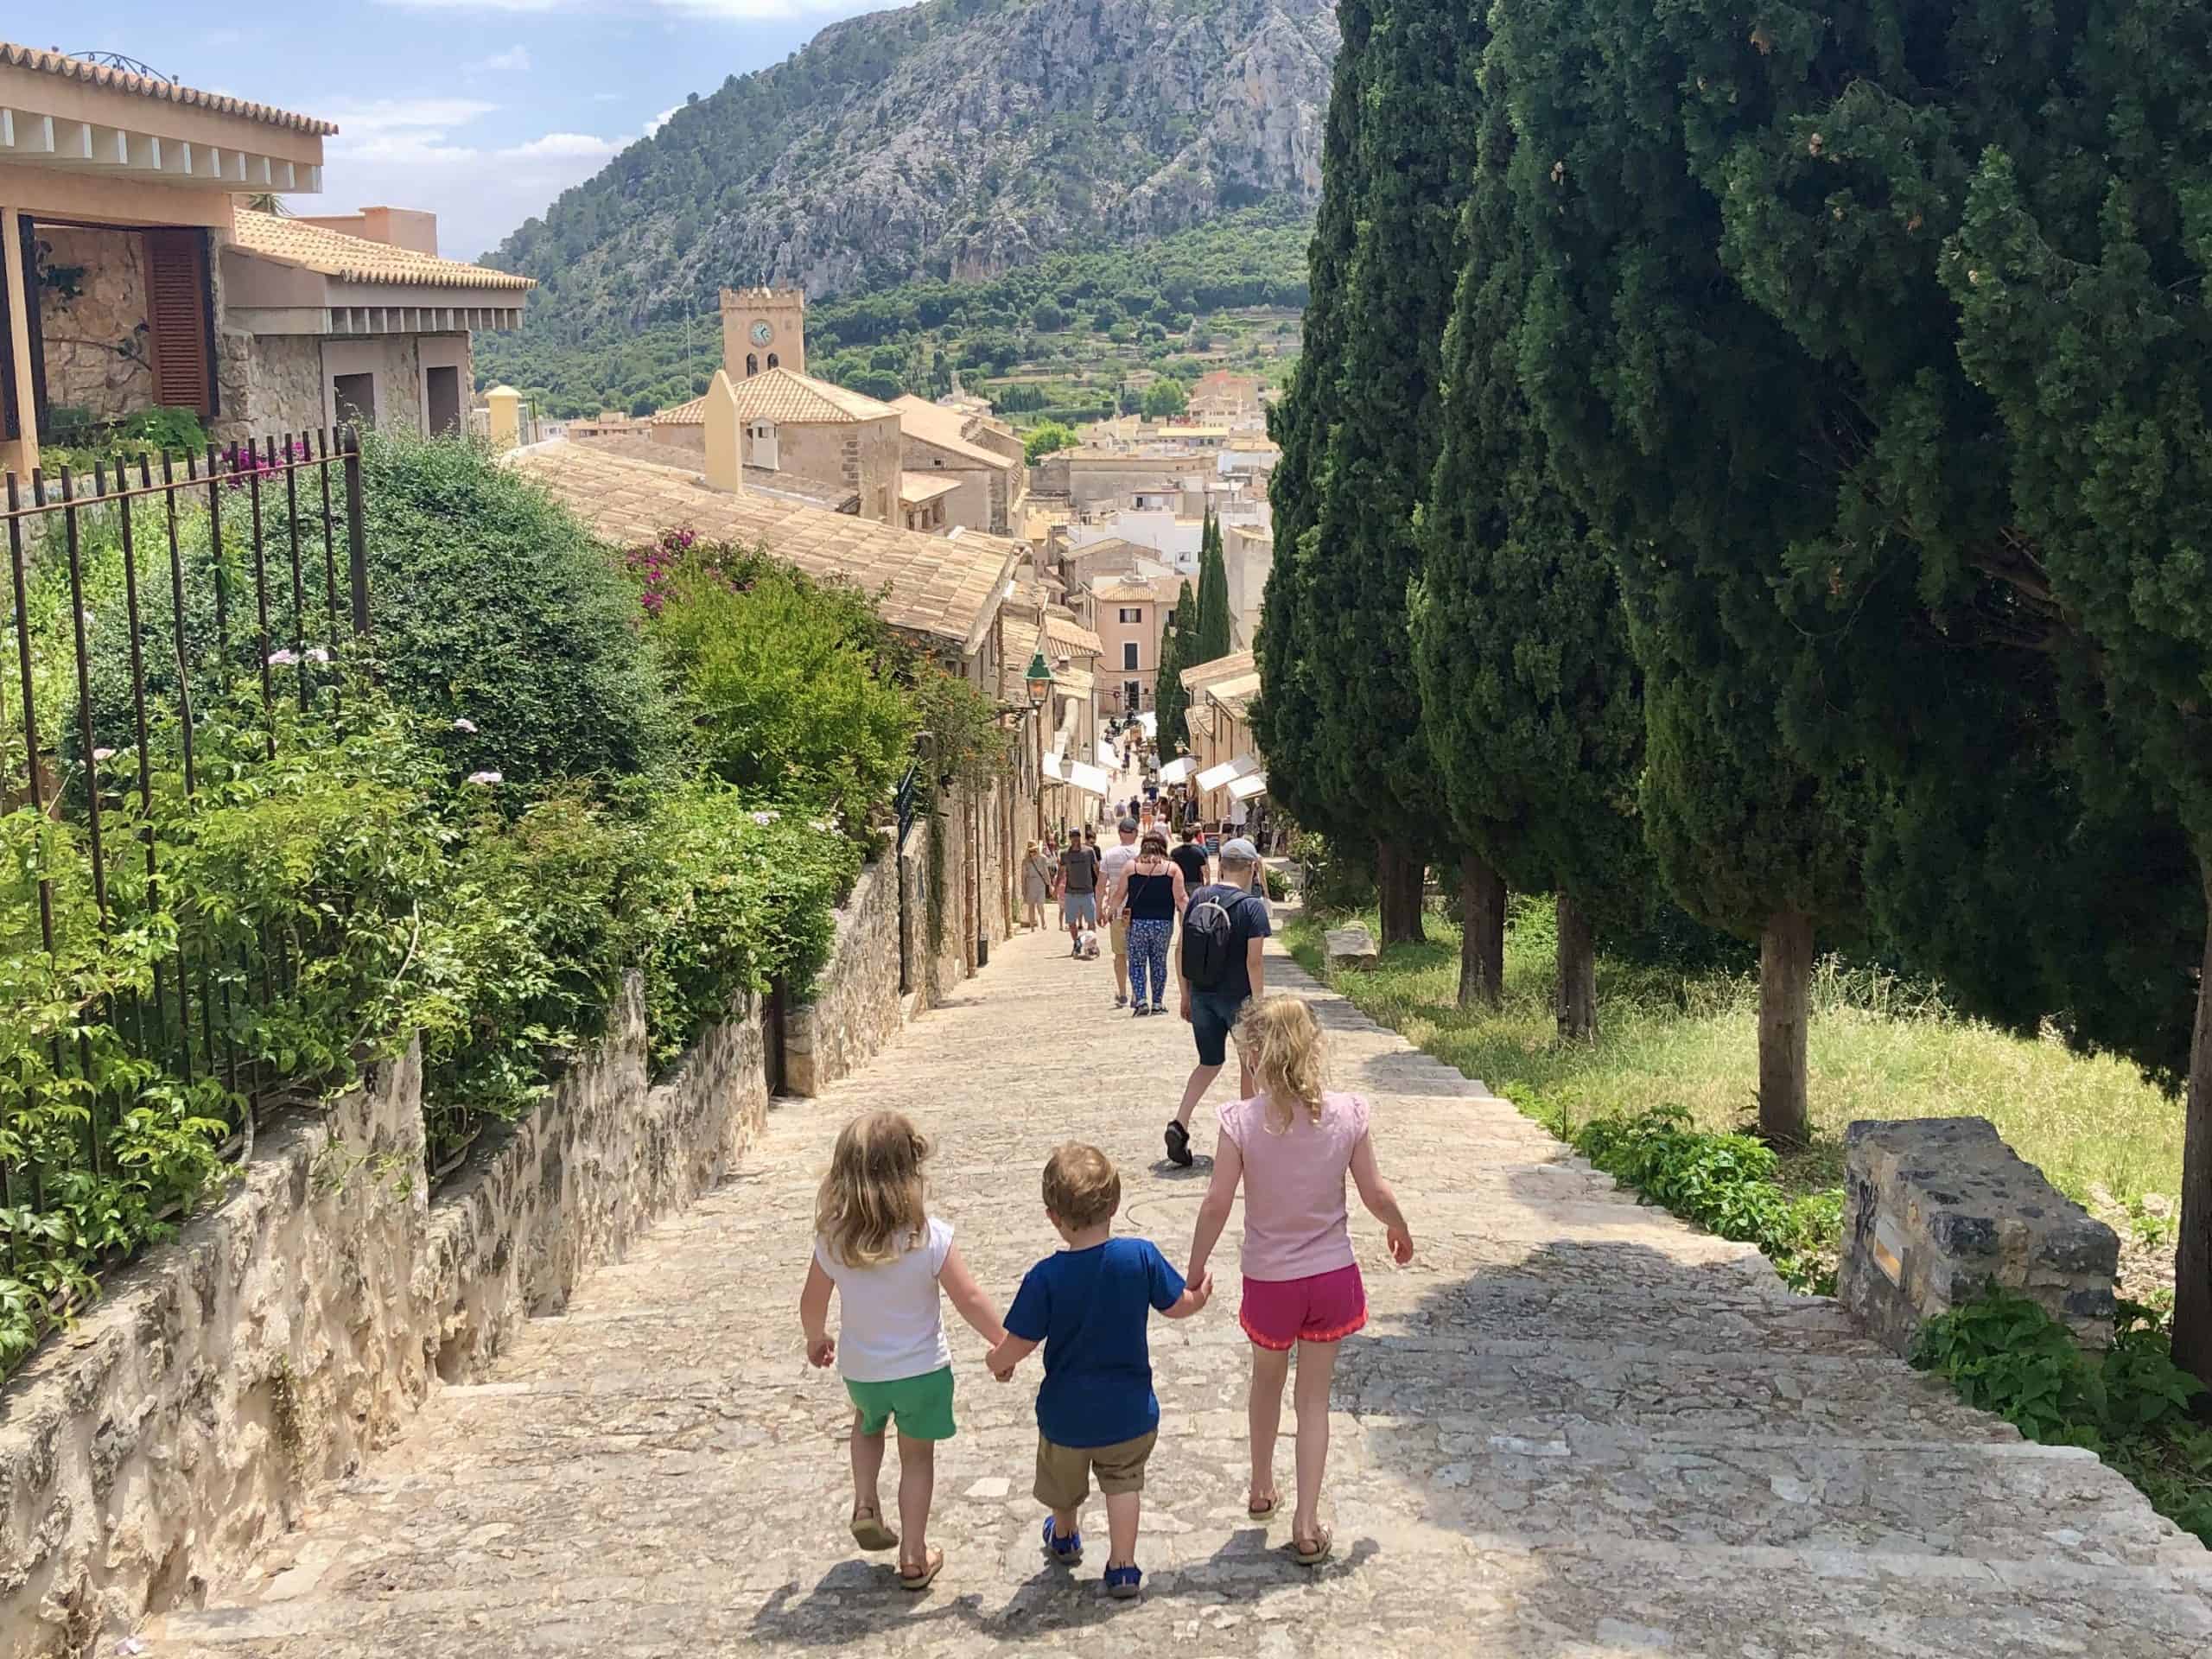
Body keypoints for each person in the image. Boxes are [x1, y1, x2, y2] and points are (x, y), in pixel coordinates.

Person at [1183, 997, 1414, 1568]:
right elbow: (1375, 1193)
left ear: (1254, 1055)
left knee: (1266, 1385)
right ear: (1314, 1049)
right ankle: (1307, 1524)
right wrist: (1400, 1228)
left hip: (1271, 1282)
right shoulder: (1349, 1114)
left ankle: (1262, 1486)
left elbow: (1216, 1205)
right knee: (1314, 1400)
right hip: (1331, 1276)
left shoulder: (1240, 1123)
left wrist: (1193, 1271)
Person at [987, 1144, 1211, 1600]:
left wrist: (998, 1362)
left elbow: (1020, 1343)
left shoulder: (1045, 1277)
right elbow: (1176, 1306)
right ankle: (1124, 1565)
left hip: (1066, 1418)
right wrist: (1199, 1297)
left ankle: (1066, 1536)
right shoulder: (1140, 1257)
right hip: (1128, 1413)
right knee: (1123, 1484)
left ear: (1053, 1216)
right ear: (1114, 1203)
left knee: (1063, 1487)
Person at [800, 1111, 1008, 1592]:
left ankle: (865, 1503)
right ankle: (913, 1555)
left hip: (863, 1371)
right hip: (923, 1373)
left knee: (867, 1424)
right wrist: (1001, 1341)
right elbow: (969, 1298)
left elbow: (812, 1302)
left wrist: (817, 1338)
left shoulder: (833, 1241)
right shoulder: (929, 1236)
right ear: (909, 1173)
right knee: (917, 1458)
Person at [1166, 836, 1271, 1167]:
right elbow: (1254, 962)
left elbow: (1181, 949)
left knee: (1209, 1063)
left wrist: (1185, 994)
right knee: (1249, 1065)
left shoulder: (1198, 897)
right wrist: (1260, 1007)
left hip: (1201, 995)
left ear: (1220, 865)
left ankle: (1180, 1123)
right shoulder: (1251, 907)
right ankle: (1249, 1139)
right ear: (1252, 868)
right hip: (1237, 999)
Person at [1105, 830, 1188, 1015]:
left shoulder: (1131, 867)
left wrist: (1110, 911)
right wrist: (1193, 916)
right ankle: (1158, 1003)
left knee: (1136, 962)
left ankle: (1141, 1000)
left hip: (1137, 923)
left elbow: (1120, 894)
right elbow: (1181, 898)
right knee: (1159, 962)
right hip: (1163, 923)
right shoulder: (1172, 869)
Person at [1097, 818, 1141, 1007]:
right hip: (1140, 912)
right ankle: (1137, 994)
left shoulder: (1108, 855)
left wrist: (1099, 909)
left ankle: (1123, 993)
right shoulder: (1142, 855)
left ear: (1119, 833)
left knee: (1120, 955)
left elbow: (1100, 886)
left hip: (1117, 912)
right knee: (1137, 956)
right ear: (1136, 833)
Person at [1059, 829, 1102, 957]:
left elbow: (1096, 868)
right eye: (1073, 836)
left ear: (1080, 837)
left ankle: (1090, 946)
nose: (1075, 839)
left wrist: (1101, 884)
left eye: (1077, 836)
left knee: (1091, 922)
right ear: (1070, 838)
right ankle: (1076, 944)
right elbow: (1061, 871)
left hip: (1087, 892)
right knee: (1072, 923)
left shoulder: (1089, 852)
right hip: (1071, 893)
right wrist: (1055, 887)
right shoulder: (1065, 854)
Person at [1021, 839, 1057, 933]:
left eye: (1034, 851)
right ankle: (1032, 926)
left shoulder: (1043, 859)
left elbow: (1046, 873)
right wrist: (1023, 889)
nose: (1032, 853)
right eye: (1030, 851)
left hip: (1040, 883)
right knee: (1031, 906)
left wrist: (1049, 885)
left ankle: (1043, 920)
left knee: (1040, 905)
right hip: (1030, 884)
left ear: (1037, 850)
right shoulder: (1025, 861)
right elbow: (1023, 876)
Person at [1169, 824, 1210, 895]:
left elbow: (1171, 869)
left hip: (1180, 882)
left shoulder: (1174, 852)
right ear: (1193, 837)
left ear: (1182, 837)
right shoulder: (1199, 852)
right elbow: (1204, 869)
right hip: (1196, 882)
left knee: (1182, 904)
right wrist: (1208, 880)